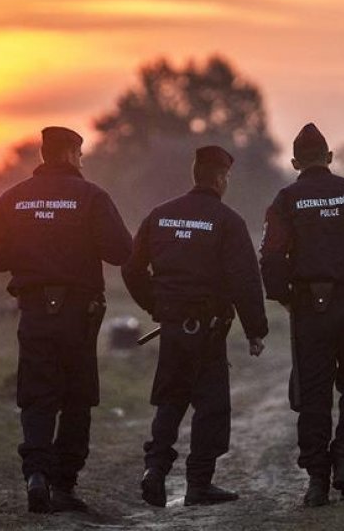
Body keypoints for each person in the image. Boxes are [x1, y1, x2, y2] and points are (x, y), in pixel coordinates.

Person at [0, 126, 133, 513]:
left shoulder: (10, 199)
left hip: (33, 313)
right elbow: (120, 251)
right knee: (77, 398)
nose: (82, 162)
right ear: (69, 153)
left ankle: (36, 476)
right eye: (80, 155)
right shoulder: (92, 197)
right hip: (79, 315)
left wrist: (29, 247)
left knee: (37, 395)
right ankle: (64, 484)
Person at [121, 145, 268, 508]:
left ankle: (154, 472)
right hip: (208, 331)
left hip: (172, 329)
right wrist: (255, 330)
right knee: (211, 407)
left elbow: (131, 268)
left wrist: (155, 305)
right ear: (220, 178)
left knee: (170, 401)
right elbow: (245, 281)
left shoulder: (160, 216)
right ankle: (199, 485)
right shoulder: (228, 222)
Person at [259, 123, 344, 507]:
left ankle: (317, 481)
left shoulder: (286, 199)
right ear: (330, 158)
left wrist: (284, 296)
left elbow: (270, 255)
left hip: (310, 310)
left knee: (314, 394)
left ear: (294, 162)